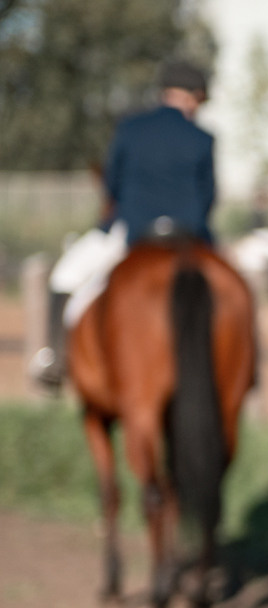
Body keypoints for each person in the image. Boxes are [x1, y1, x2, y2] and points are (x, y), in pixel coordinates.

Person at [34, 59, 216, 386]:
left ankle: (54, 360)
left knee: (65, 276)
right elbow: (209, 199)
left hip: (131, 232)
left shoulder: (130, 129)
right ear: (192, 97)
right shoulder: (203, 139)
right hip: (190, 238)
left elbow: (112, 186)